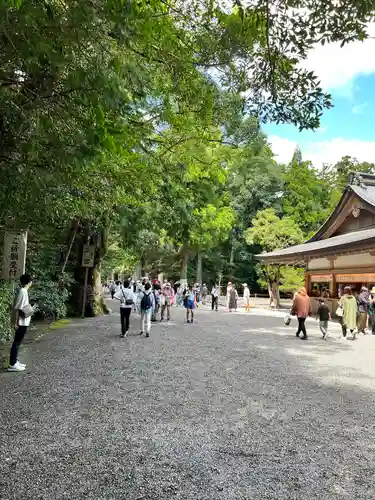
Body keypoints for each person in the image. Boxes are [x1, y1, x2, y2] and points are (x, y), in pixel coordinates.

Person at [8, 273, 34, 372]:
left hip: (24, 321)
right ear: (29, 282)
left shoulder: (24, 291)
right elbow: (18, 308)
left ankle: (15, 361)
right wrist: (15, 322)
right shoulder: (23, 291)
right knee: (17, 342)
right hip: (21, 322)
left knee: (18, 342)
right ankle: (12, 364)